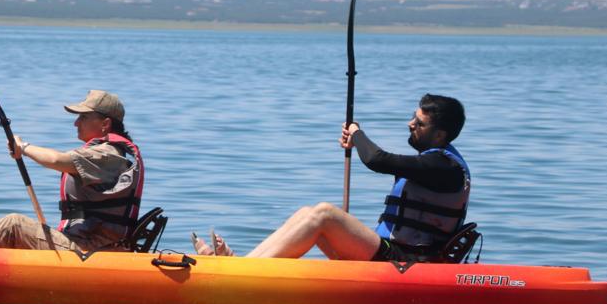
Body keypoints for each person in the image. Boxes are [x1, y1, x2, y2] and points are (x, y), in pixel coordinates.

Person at [193, 94, 470, 263]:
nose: (411, 124)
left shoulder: (442, 166)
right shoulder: (431, 161)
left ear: (440, 135)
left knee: (325, 214)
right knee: (308, 213)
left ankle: (243, 273)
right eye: (413, 117)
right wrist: (356, 139)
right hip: (390, 252)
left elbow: (376, 160)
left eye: (419, 123)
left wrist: (356, 133)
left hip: (408, 260)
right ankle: (243, 265)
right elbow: (380, 159)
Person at [0, 90, 144, 252]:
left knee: (14, 224)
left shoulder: (108, 155)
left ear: (105, 124)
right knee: (18, 231)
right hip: (85, 243)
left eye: (83, 117)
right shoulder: (106, 154)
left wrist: (25, 147)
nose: (76, 123)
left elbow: (57, 159)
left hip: (91, 250)